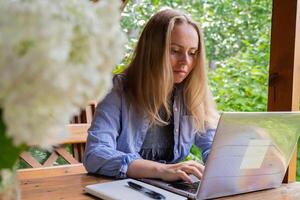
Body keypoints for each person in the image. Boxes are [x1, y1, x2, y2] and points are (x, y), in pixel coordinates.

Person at [83, 9, 219, 183]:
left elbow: (213, 146)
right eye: (175, 50)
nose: (186, 61)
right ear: (152, 51)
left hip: (170, 187)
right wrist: (161, 170)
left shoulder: (192, 91)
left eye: (192, 53)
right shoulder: (119, 89)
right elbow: (95, 154)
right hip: (123, 187)